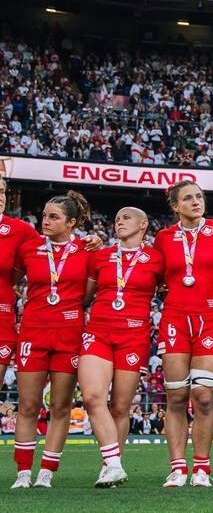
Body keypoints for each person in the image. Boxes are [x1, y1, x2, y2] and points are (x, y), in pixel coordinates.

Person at [154, 181, 213, 488]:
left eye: (199, 196)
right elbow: (157, 273)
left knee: (204, 396)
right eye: (188, 198)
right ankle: (178, 468)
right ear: (176, 206)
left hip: (210, 318)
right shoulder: (163, 237)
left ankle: (202, 468)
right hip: (175, 317)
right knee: (176, 397)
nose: (196, 201)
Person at [11, 191, 93, 489]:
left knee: (60, 406)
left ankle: (46, 472)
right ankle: (22, 473)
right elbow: (10, 278)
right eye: (44, 215)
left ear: (71, 223)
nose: (45, 221)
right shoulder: (29, 248)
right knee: (28, 405)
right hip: (33, 330)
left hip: (69, 333)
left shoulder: (87, 250)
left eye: (53, 217)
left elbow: (88, 294)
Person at [80, 207, 166, 487]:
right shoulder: (100, 256)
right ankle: (115, 464)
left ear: (144, 224)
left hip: (134, 336)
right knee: (93, 398)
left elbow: (169, 290)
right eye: (116, 218)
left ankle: (109, 468)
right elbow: (83, 297)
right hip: (99, 332)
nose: (119, 222)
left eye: (125, 218)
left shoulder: (157, 259)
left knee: (119, 406)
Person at [0, 178, 39, 389]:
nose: (0, 196)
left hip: (2, 317)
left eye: (2, 191)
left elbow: (54, 248)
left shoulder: (20, 230)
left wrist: (88, 241)